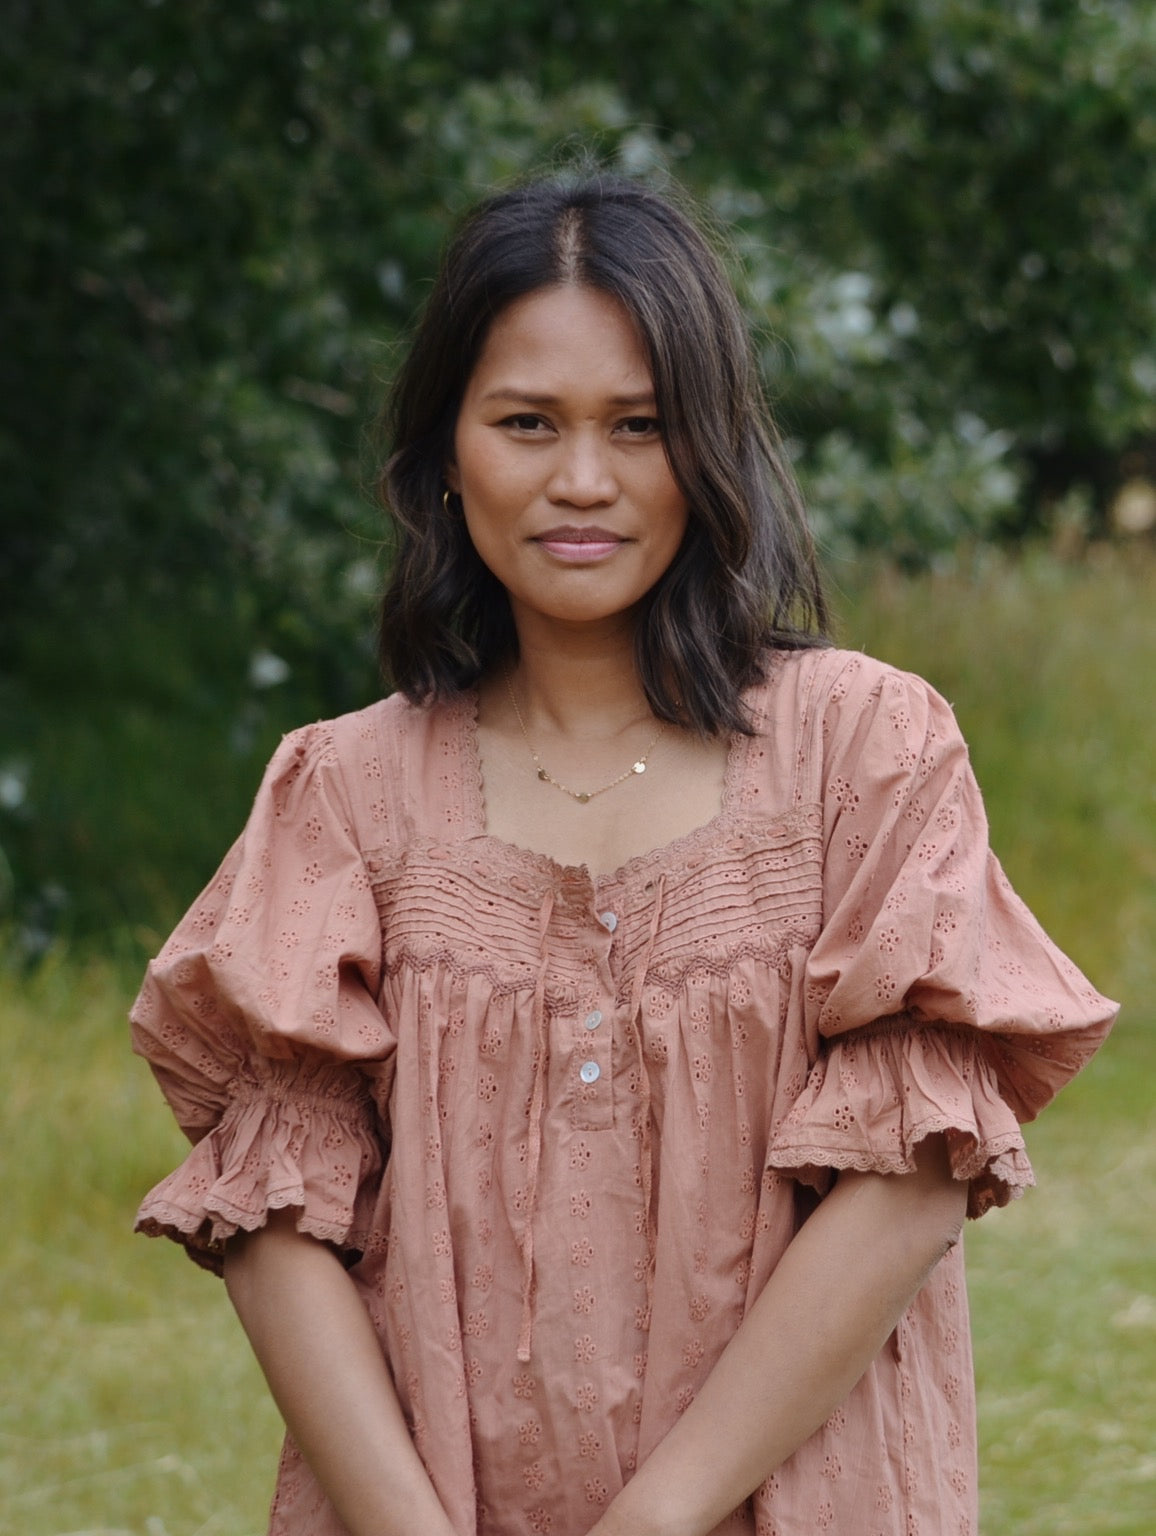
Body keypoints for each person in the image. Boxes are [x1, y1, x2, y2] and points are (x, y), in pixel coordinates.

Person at [131, 172, 1116, 1536]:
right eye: (526, 423)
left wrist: (660, 1519)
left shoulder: (867, 748)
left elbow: (914, 1178)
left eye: (639, 427)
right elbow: (274, 1209)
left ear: (708, 447)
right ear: (444, 452)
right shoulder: (341, 793)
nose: (581, 481)